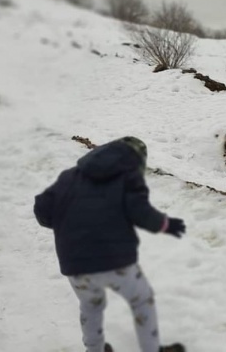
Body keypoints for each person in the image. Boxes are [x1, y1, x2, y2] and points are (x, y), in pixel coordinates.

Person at [33, 136, 186, 352]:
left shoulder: (69, 177)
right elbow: (140, 213)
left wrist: (68, 225)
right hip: (116, 261)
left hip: (75, 264)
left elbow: (42, 209)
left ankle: (94, 350)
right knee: (141, 300)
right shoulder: (128, 177)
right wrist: (166, 225)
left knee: (90, 306)